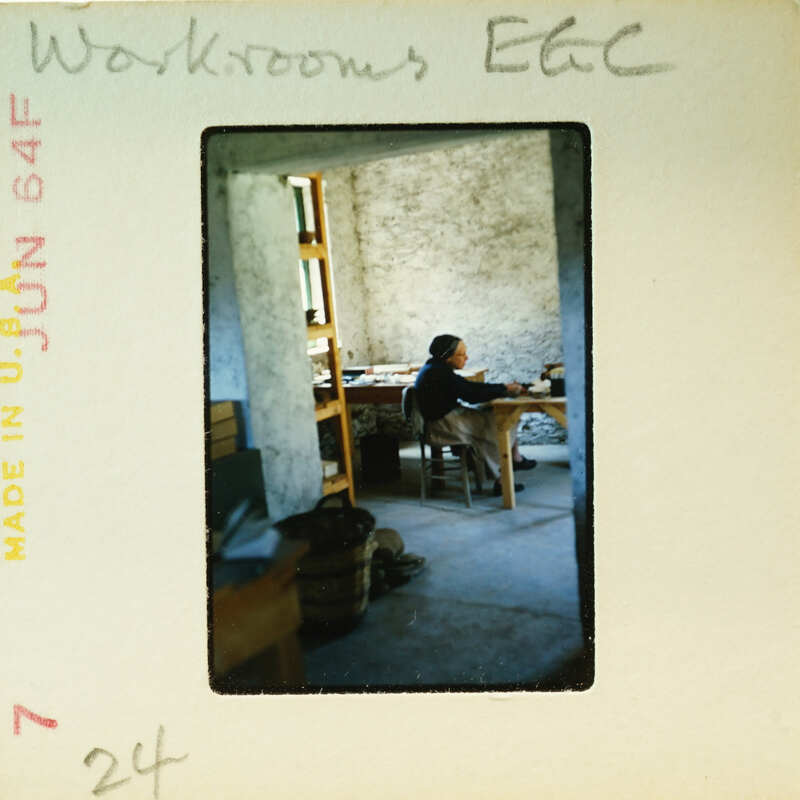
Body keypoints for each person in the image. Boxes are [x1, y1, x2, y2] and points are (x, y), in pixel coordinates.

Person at [414, 334, 537, 497]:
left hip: (446, 418)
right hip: (443, 424)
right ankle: (503, 479)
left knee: (499, 419)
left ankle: (512, 462)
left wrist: (502, 387)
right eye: (462, 354)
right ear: (447, 356)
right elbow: (471, 395)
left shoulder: (437, 368)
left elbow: (468, 386)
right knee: (501, 424)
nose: (467, 357)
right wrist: (504, 389)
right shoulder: (438, 373)